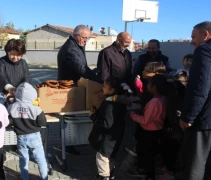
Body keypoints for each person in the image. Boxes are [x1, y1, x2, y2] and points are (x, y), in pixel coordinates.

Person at [180, 21, 211, 180]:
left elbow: (200, 88)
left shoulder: (205, 51)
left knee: (196, 165)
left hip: (206, 118)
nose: (192, 41)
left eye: (194, 37)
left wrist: (188, 117)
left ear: (205, 35)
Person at [57, 25, 103, 155]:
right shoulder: (70, 49)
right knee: (69, 118)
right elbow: (82, 69)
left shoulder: (77, 45)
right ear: (75, 35)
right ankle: (67, 146)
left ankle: (71, 143)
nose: (86, 41)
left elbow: (84, 68)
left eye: (87, 38)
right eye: (84, 38)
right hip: (69, 88)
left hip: (75, 86)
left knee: (73, 115)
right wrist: (100, 81)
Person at [89, 77, 137, 180]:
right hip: (115, 135)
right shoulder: (119, 102)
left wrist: (93, 116)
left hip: (107, 137)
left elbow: (106, 123)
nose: (102, 88)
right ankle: (110, 174)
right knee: (110, 156)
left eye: (105, 87)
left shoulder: (110, 104)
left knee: (102, 157)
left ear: (112, 90)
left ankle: (104, 176)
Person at [127, 74, 171, 180]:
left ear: (154, 87)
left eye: (149, 84)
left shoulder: (154, 102)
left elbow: (145, 120)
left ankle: (147, 174)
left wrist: (132, 115)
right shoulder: (163, 99)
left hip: (149, 132)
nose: (147, 85)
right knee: (150, 154)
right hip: (157, 130)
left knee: (147, 155)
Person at [7, 82, 48, 180]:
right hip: (34, 136)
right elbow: (42, 122)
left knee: (23, 159)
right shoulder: (36, 109)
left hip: (21, 137)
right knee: (40, 159)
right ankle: (44, 177)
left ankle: (25, 178)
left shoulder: (12, 107)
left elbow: (8, 118)